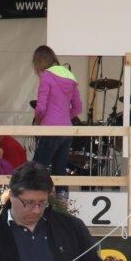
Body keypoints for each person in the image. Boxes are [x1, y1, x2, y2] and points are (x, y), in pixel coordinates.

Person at [31, 45, 83, 181]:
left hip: (50, 129)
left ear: (40, 61)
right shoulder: (70, 76)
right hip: (67, 131)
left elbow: (40, 107)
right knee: (60, 171)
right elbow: (78, 107)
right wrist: (64, 118)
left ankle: (35, 195)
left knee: (36, 169)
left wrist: (38, 121)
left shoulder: (46, 76)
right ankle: (62, 195)